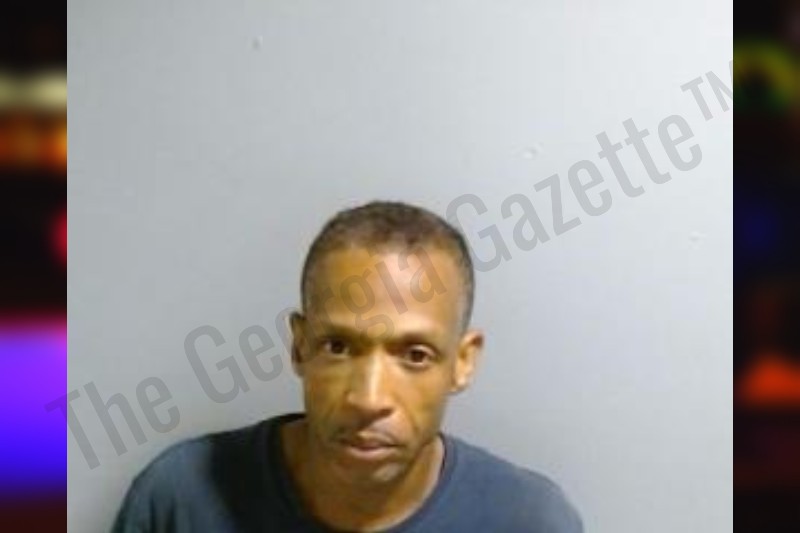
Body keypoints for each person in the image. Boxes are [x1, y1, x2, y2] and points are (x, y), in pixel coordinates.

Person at [112, 201, 583, 532]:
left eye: (414, 355)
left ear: (462, 362)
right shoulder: (181, 498)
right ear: (300, 347)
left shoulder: (530, 521)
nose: (369, 399)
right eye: (338, 347)